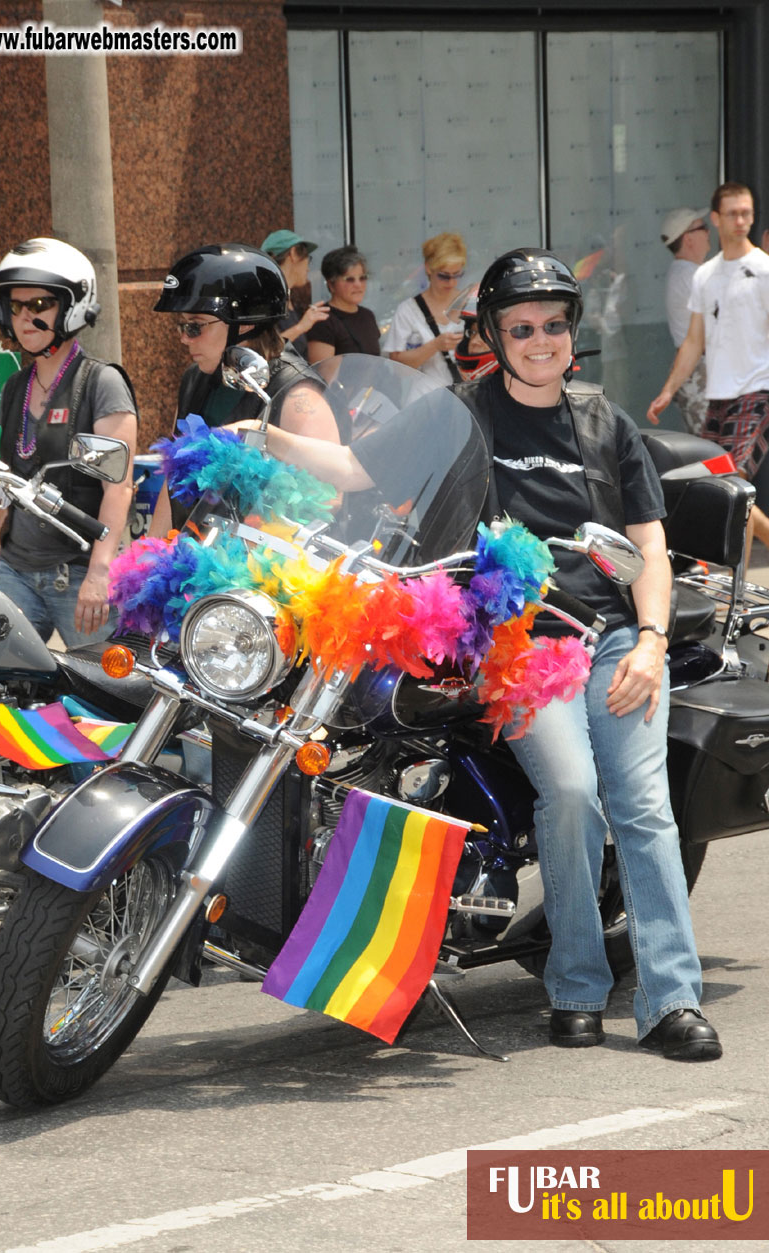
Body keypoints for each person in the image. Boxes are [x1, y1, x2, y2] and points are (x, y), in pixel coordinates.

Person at [252, 249, 721, 1062]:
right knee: (571, 793)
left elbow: (648, 544)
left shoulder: (609, 425)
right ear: (495, 337)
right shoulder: (457, 415)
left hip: (611, 640)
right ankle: (575, 985)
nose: (540, 340)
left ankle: (671, 999)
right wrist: (257, 436)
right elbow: (359, 468)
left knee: (642, 808)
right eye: (521, 327)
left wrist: (650, 641)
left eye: (553, 325)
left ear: (572, 334)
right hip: (515, 647)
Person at [0, 237, 137, 648]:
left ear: (70, 308)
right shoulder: (14, 386)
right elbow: (8, 484)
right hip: (15, 571)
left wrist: (99, 573)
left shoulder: (101, 383)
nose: (23, 318)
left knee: (105, 699)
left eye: (38, 306)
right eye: (16, 306)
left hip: (76, 574)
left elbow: (118, 488)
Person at [149, 243, 339, 537]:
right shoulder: (195, 379)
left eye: (196, 327)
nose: (185, 339)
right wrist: (151, 553)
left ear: (245, 324)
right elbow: (174, 477)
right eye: (182, 326)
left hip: (262, 574)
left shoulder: (296, 391)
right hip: (194, 562)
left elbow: (329, 497)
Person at [648, 181, 769, 559]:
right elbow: (693, 342)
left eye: (747, 213)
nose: (741, 221)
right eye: (733, 213)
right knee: (721, 484)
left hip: (758, 392)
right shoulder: (705, 275)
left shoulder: (764, 269)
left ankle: (736, 590)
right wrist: (668, 391)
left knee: (732, 483)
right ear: (716, 218)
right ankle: (737, 591)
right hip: (719, 398)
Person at [384, 232, 467, 386]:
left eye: (457, 275)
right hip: (425, 399)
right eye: (444, 276)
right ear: (429, 269)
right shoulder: (408, 310)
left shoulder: (469, 303)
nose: (451, 283)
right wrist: (435, 345)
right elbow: (397, 368)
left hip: (466, 398)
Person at [656, 207, 711, 435]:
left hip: (700, 371)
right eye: (703, 228)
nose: (709, 233)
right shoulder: (691, 276)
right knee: (716, 456)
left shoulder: (688, 274)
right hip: (701, 372)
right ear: (688, 239)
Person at [260, 230, 330, 357]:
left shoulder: (289, 298)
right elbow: (262, 352)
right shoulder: (265, 298)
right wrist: (301, 327)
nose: (308, 268)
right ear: (293, 253)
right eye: (308, 258)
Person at [306, 246, 381, 363]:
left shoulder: (368, 316)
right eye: (349, 279)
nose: (358, 285)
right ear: (331, 284)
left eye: (362, 278)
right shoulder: (322, 320)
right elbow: (321, 374)